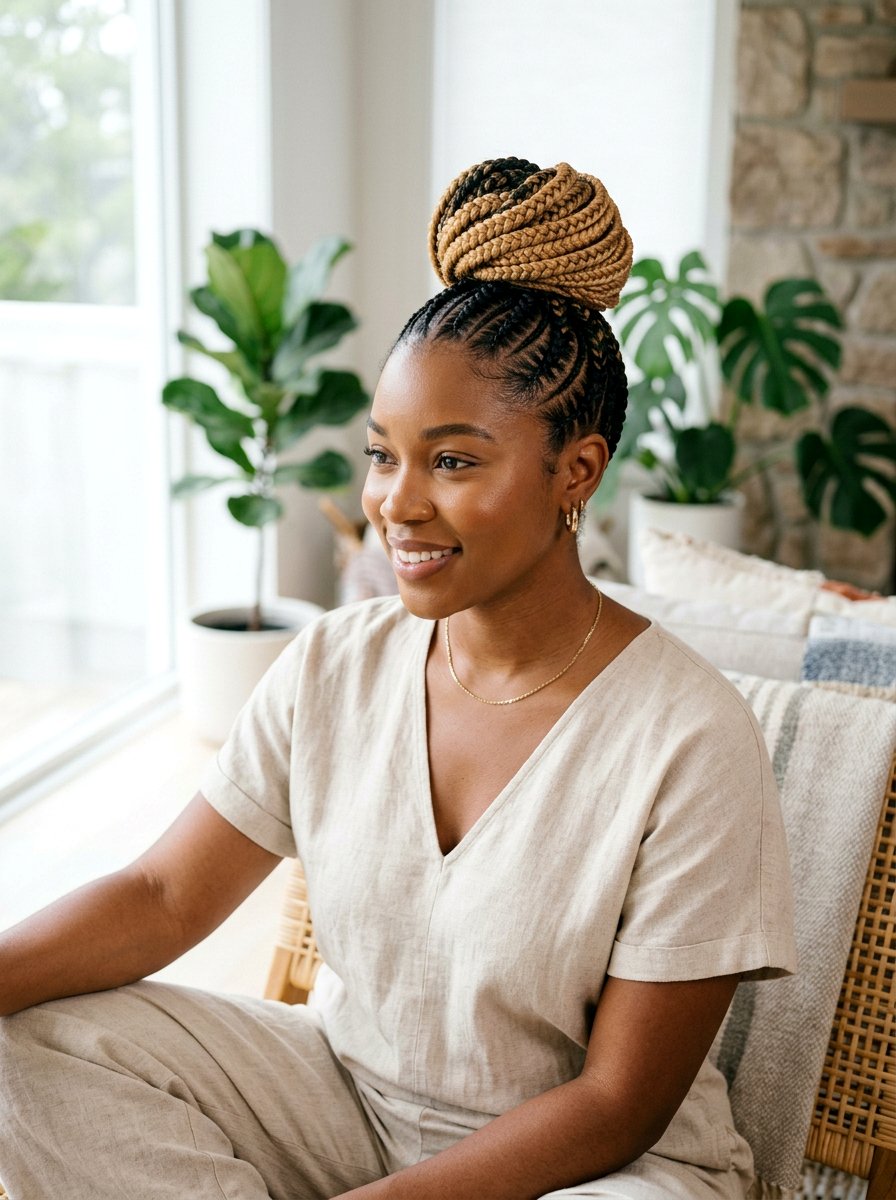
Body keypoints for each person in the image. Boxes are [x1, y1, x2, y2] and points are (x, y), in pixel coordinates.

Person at [0, 157, 796, 1200]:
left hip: (595, 1172)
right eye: (383, 455)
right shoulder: (336, 661)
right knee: (30, 1045)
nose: (397, 503)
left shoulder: (689, 738)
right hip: (340, 1103)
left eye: (454, 462)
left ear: (576, 470)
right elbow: (161, 896)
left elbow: (618, 1108)